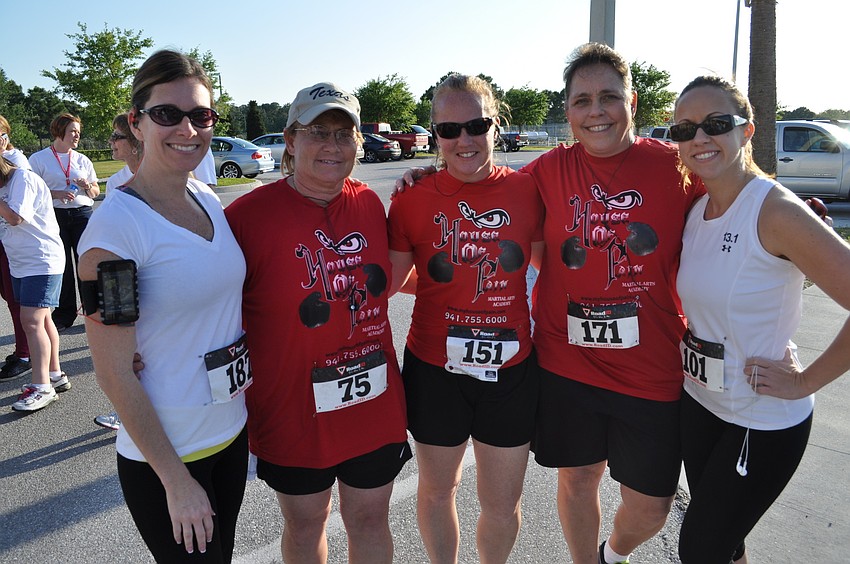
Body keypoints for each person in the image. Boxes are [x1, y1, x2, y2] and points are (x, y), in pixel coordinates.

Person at [396, 42, 704, 564]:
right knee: (559, 481)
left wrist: (786, 226)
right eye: (449, 131)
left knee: (647, 505)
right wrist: (424, 179)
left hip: (623, 367)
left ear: (632, 100)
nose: (464, 139)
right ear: (567, 111)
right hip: (525, 365)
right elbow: (404, 269)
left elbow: (737, 199)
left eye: (608, 97)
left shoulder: (670, 169)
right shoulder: (524, 177)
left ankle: (611, 553)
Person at [225, 82, 410, 564]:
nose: (332, 146)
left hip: (372, 399)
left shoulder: (370, 203)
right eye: (317, 132)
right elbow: (205, 298)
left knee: (371, 518)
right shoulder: (246, 217)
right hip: (292, 406)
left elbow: (399, 272)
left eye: (344, 135)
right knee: (307, 523)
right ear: (290, 140)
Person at [77, 49, 248, 562]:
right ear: (137, 121)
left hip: (229, 435)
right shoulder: (115, 232)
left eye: (201, 116)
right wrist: (174, 480)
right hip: (170, 458)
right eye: (167, 114)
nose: (188, 130)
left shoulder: (205, 196)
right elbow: (114, 374)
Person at [672, 75, 850, 564]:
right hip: (701, 404)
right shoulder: (698, 210)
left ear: (746, 131)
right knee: (728, 545)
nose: (699, 138)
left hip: (761, 419)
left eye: (715, 124)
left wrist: (805, 381)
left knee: (700, 550)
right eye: (684, 129)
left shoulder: (775, 211)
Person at [387, 74, 543, 563]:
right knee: (437, 490)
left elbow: (558, 272)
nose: (464, 140)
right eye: (449, 130)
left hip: (511, 371)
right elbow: (389, 282)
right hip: (435, 368)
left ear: (497, 125)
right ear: (434, 134)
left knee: (502, 502)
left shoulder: (529, 191)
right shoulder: (411, 198)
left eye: (476, 125)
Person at [0, 151, 68, 411]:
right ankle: (54, 374)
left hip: (41, 259)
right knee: (43, 318)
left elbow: (16, 217)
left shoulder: (22, 179)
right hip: (21, 260)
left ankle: (41, 388)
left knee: (31, 319)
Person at [93, 112, 145, 432]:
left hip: (151, 274)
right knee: (129, 354)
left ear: (137, 141)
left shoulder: (163, 178)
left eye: (116, 137)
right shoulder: (115, 182)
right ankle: (126, 409)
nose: (111, 142)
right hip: (126, 276)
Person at [29, 113, 99, 331]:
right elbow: (30, 192)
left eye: (78, 131)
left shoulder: (82, 160)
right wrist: (56, 193)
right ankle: (64, 314)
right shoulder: (39, 159)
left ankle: (93, 309)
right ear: (59, 132)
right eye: (73, 131)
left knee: (86, 263)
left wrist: (87, 185)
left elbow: (95, 192)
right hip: (55, 216)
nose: (77, 135)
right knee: (63, 266)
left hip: (82, 215)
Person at [0, 115, 32, 381]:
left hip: (14, 242)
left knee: (16, 300)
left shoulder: (17, 164)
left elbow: (17, 215)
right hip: (4, 239)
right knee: (10, 298)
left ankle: (25, 353)